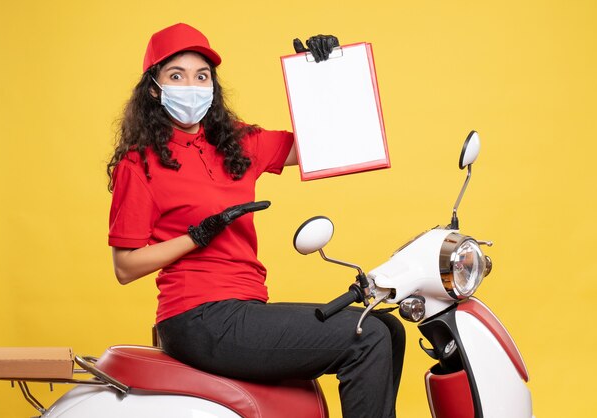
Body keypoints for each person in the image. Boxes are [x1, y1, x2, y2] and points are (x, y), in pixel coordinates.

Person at [107, 23, 405, 418]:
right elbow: (125, 267)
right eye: (176, 76)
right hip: (197, 317)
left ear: (213, 86)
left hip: (245, 307)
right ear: (154, 89)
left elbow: (330, 144)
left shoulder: (237, 143)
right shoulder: (139, 163)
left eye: (202, 76)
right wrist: (197, 236)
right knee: (367, 338)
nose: (191, 85)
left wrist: (326, 75)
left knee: (390, 329)